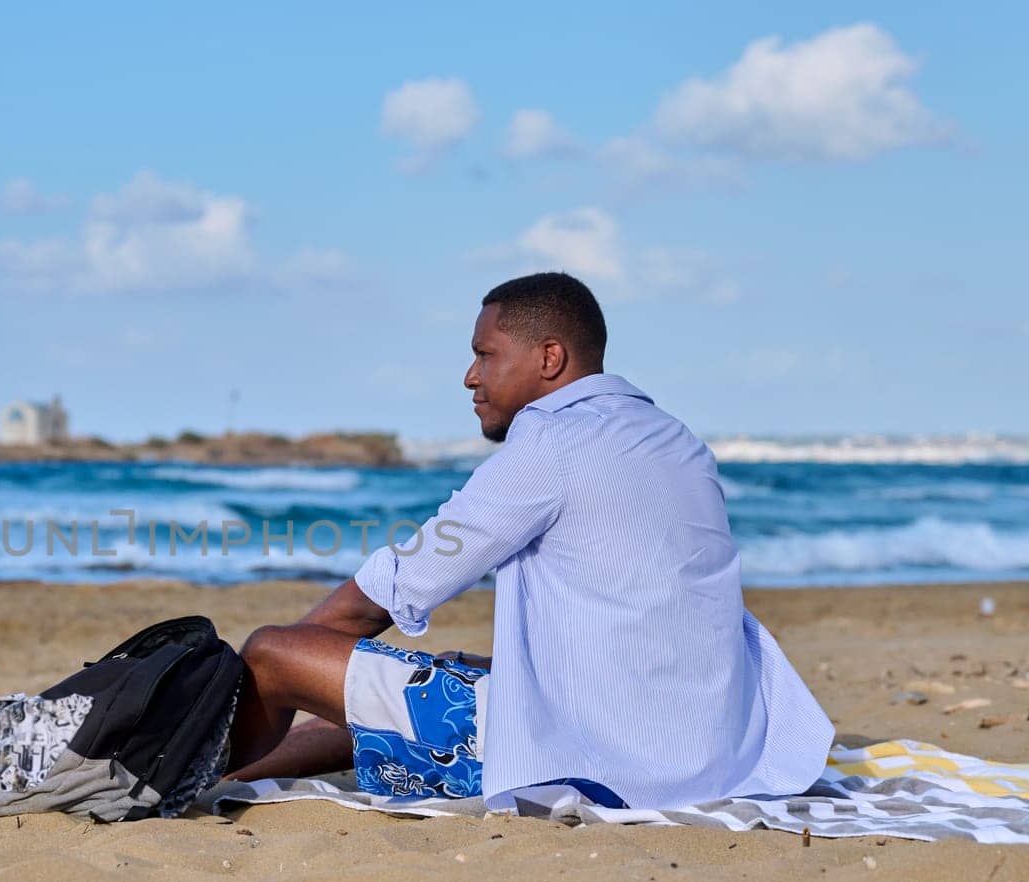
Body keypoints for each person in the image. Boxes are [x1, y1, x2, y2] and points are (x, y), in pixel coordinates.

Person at [223, 272, 832, 810]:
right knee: (449, 672)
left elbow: (393, 590)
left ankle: (164, 769)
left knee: (276, 653)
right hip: (709, 751)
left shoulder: (551, 443)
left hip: (605, 768)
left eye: (485, 355)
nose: (469, 376)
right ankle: (232, 774)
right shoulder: (673, 438)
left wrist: (291, 659)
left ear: (548, 358)